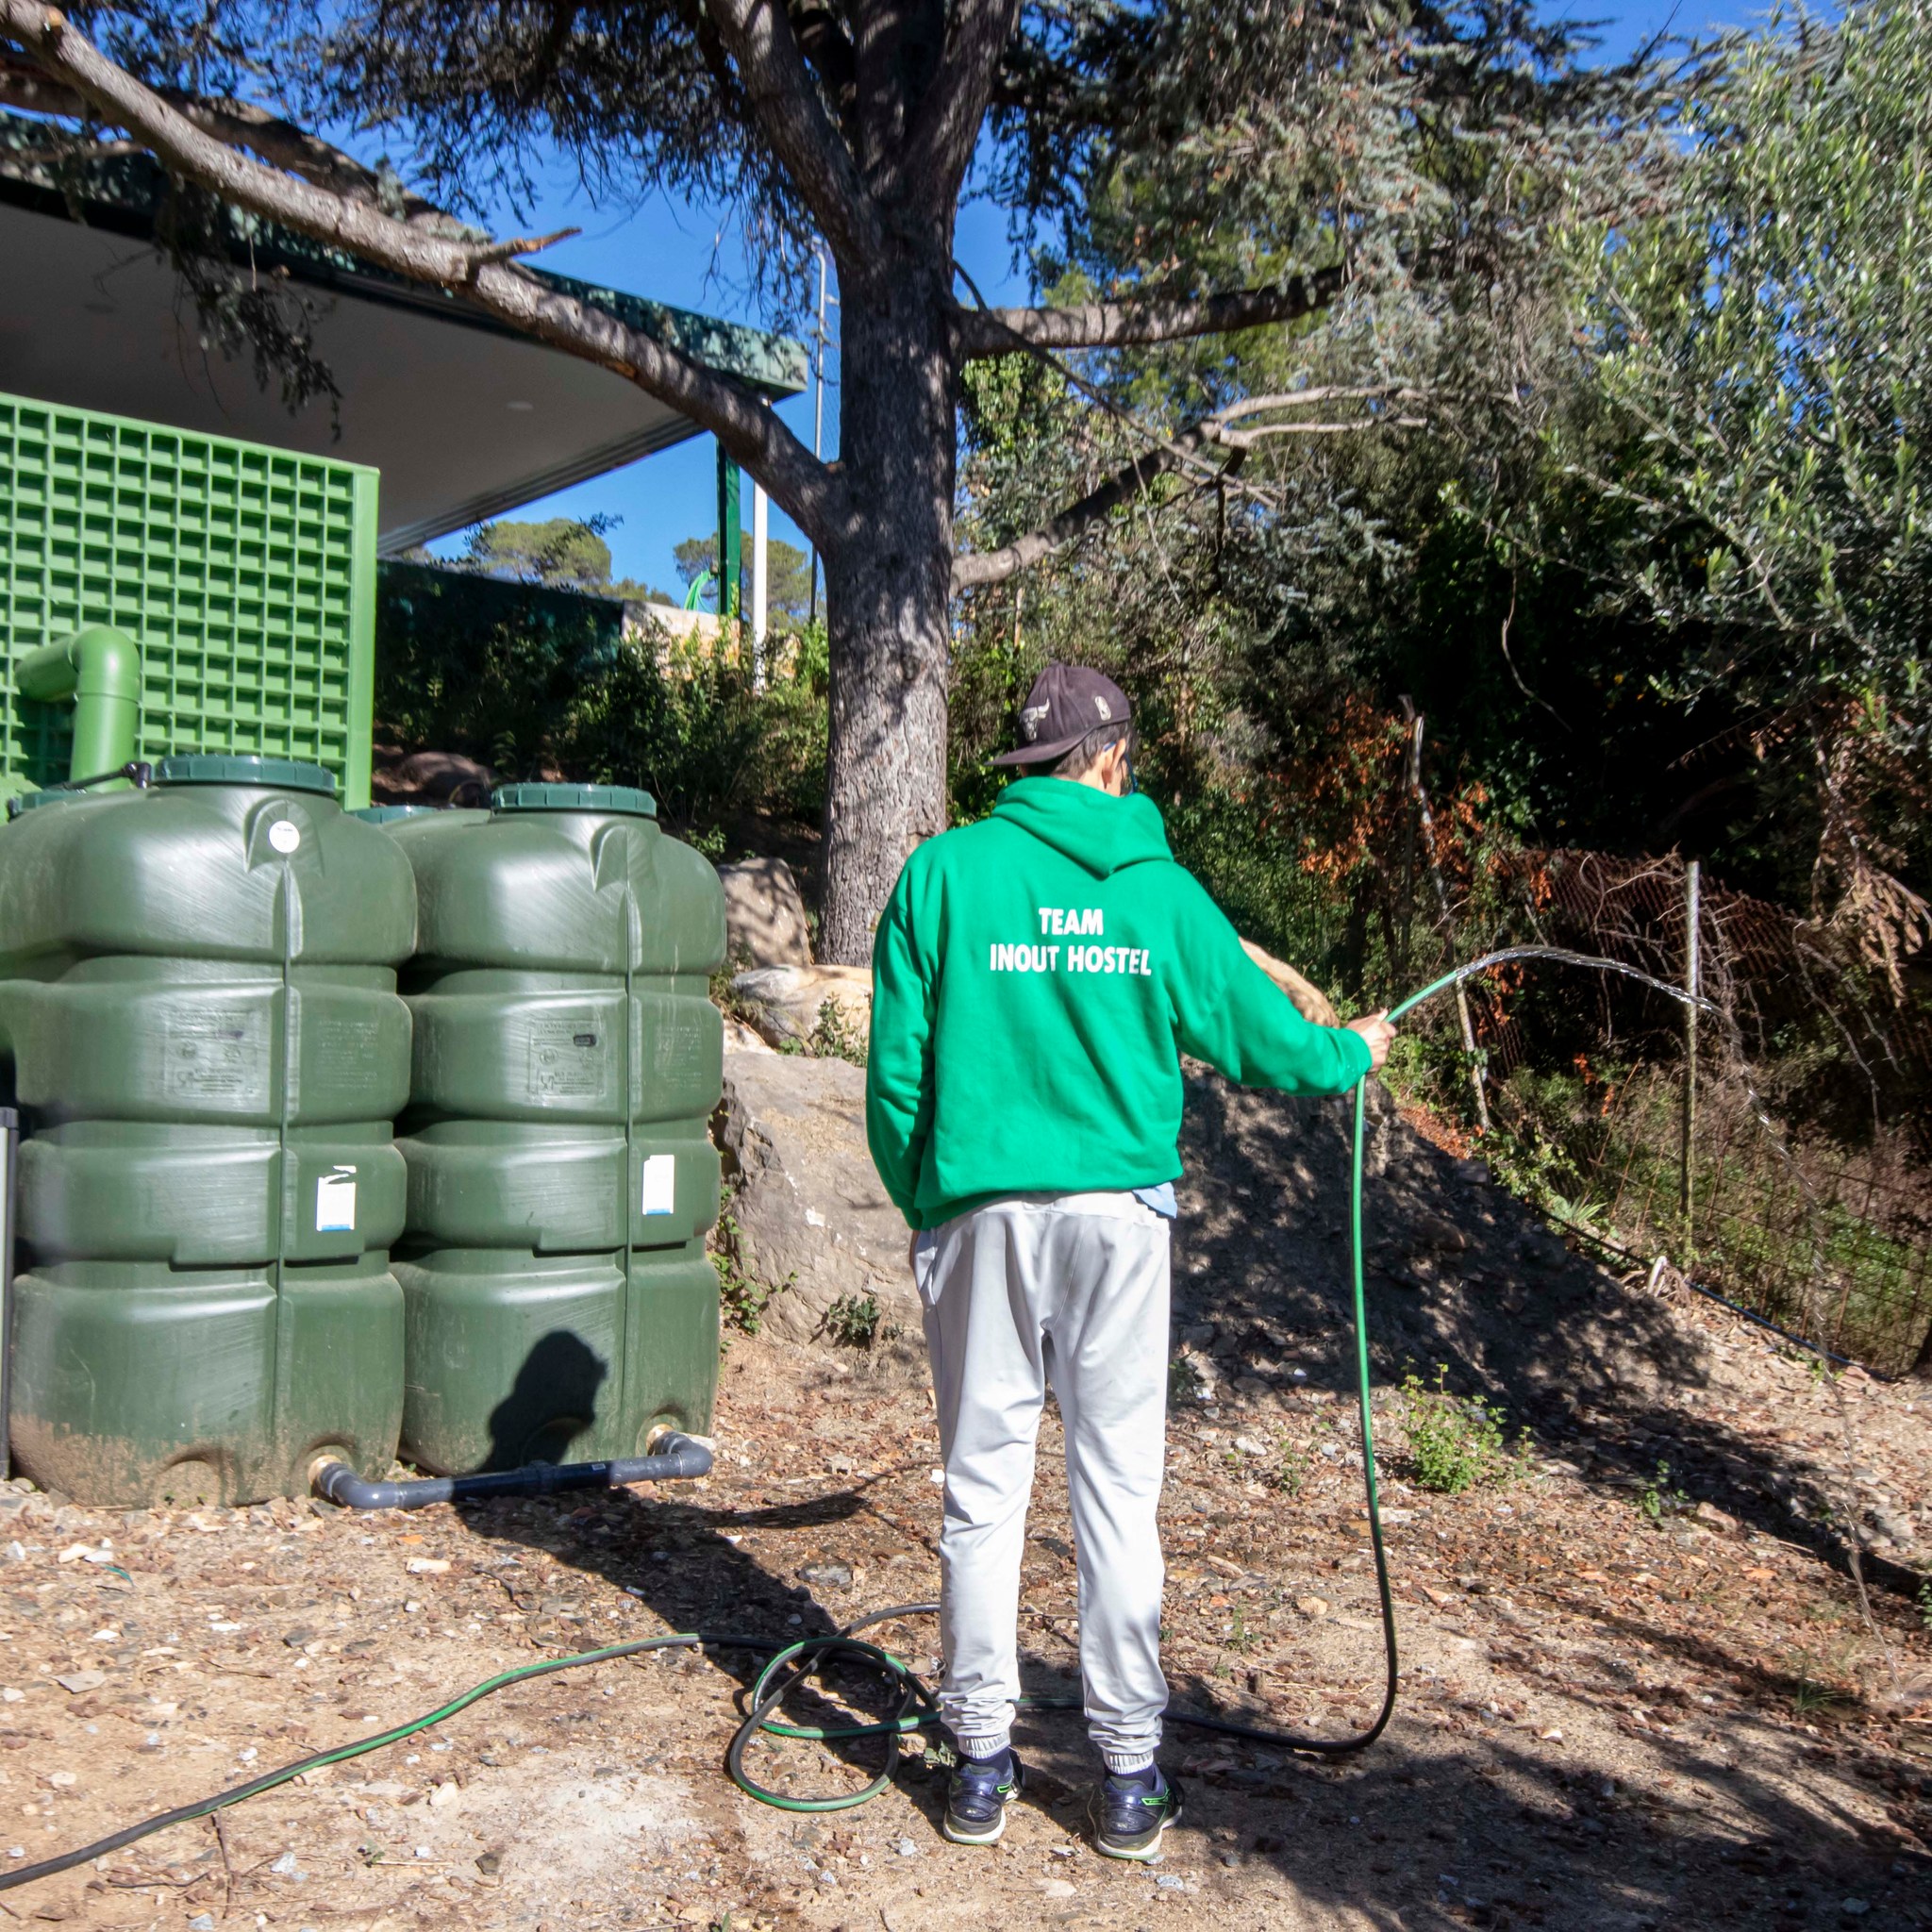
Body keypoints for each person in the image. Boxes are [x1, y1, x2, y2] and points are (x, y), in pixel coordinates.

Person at [865, 663, 1397, 1859]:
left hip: (981, 1216)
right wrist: (1348, 1052)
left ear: (1028, 769)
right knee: (1116, 1490)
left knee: (979, 1489)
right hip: (1119, 1223)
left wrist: (934, 1203)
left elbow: (896, 1079)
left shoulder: (943, 875)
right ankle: (1122, 1778)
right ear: (1111, 758)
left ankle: (980, 1765)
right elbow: (1263, 1038)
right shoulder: (1157, 891)